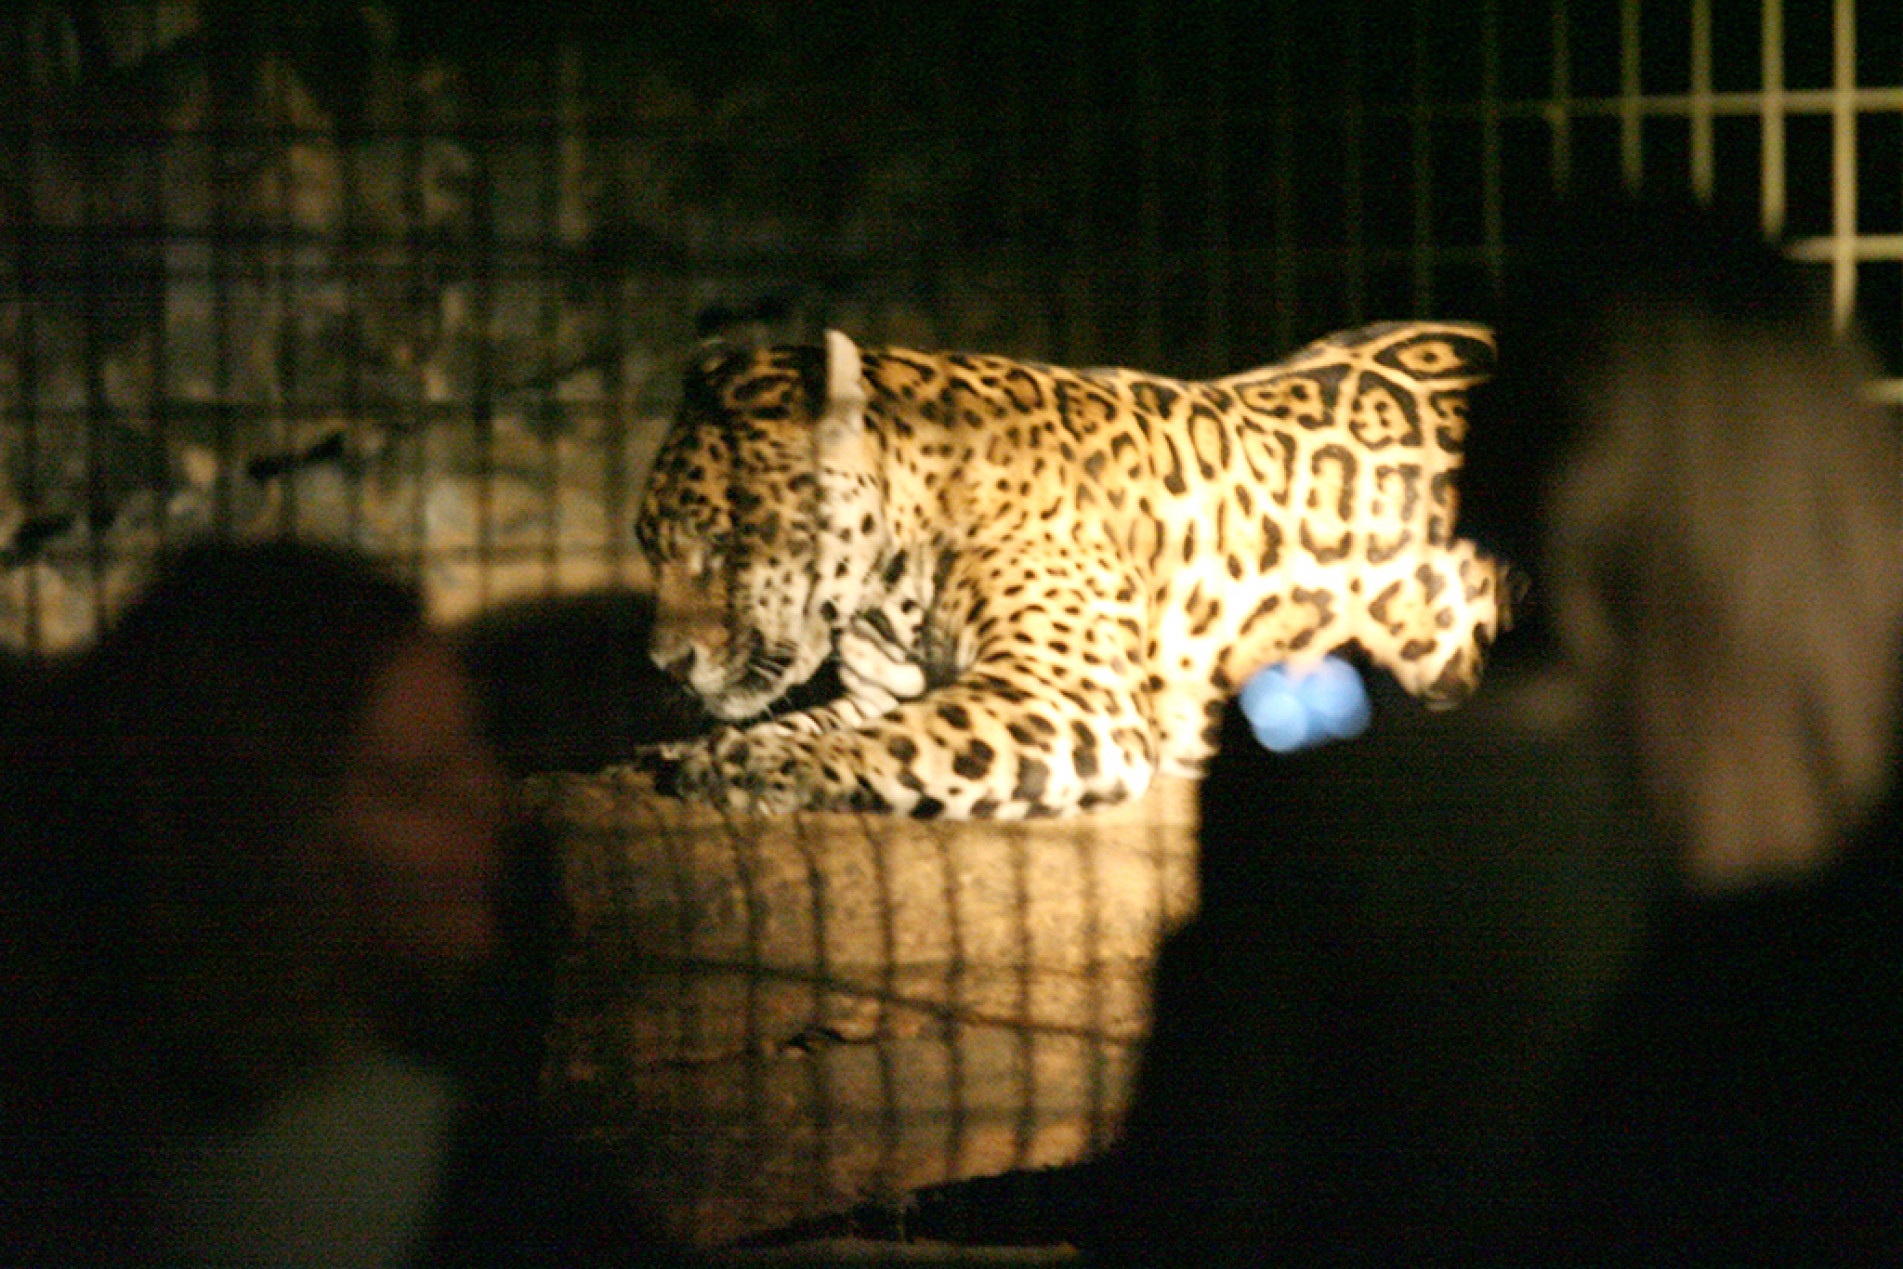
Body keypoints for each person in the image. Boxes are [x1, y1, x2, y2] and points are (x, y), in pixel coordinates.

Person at [1083, 196, 1903, 1264]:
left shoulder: (1367, 804)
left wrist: (1256, 845)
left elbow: (1197, 1203)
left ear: (1506, 479)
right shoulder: (1861, 827)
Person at [0, 539, 692, 1266]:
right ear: (258, 830)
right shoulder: (502, 1206)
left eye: (479, 752)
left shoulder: (59, 1145)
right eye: (418, 784)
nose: (493, 805)